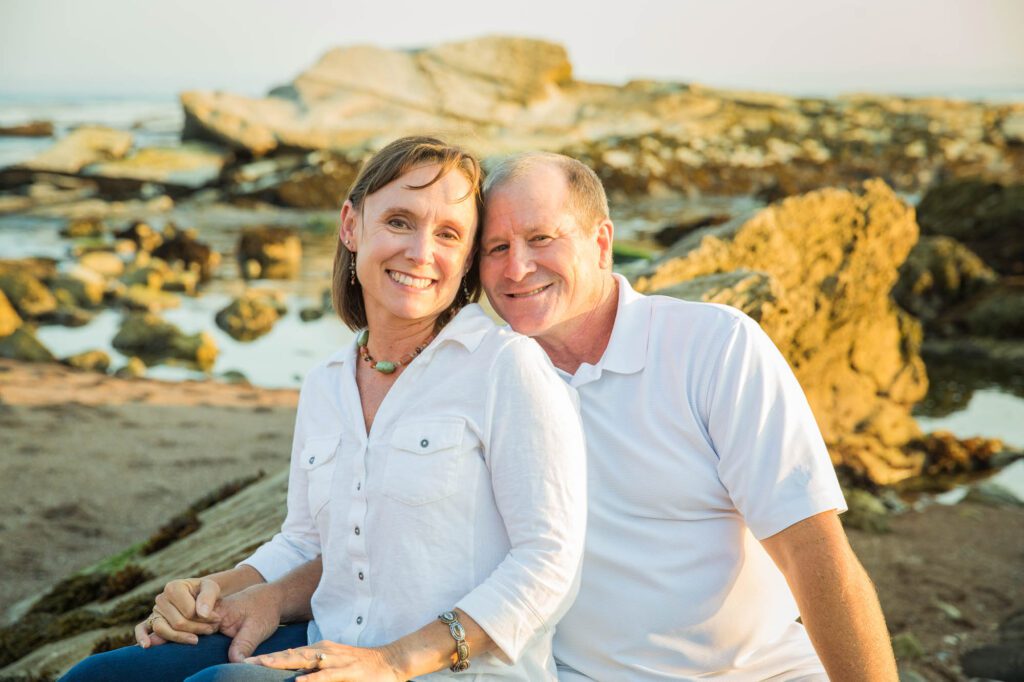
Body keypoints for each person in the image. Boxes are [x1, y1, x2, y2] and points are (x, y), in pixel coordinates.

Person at [61, 137, 587, 682]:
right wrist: (217, 587)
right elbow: (306, 541)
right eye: (400, 221)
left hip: (451, 672)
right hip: (328, 648)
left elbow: (549, 563)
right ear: (350, 225)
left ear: (467, 259)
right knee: (95, 677)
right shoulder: (326, 382)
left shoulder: (506, 366)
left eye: (449, 234)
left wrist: (391, 662)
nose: (421, 252)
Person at [477, 152, 899, 681]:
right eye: (497, 248)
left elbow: (811, 550)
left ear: (602, 243)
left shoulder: (713, 346)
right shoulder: (485, 379)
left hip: (762, 671)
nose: (517, 267)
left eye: (542, 239)